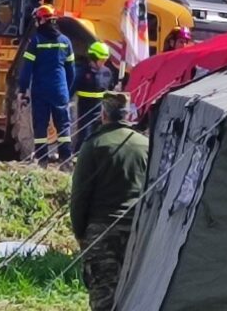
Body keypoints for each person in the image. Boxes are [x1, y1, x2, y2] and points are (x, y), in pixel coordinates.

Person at [70, 92, 149, 311]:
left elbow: (79, 197)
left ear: (104, 115)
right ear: (128, 115)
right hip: (138, 230)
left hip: (102, 231)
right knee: (135, 293)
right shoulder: (146, 145)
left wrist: (80, 232)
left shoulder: (94, 144)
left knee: (103, 294)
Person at [17, 4, 76, 166]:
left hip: (41, 90)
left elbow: (26, 70)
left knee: (41, 125)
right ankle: (66, 158)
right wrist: (67, 91)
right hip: (60, 90)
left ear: (42, 20)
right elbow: (71, 72)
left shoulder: (35, 41)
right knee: (63, 125)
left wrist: (22, 90)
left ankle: (42, 159)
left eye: (37, 20)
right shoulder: (65, 42)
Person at [73, 41, 114, 152]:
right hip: (85, 108)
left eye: (105, 60)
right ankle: (78, 158)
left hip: (100, 109)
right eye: (102, 60)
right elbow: (72, 89)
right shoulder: (81, 71)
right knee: (84, 135)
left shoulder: (107, 72)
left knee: (99, 135)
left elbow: (110, 89)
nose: (104, 62)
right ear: (94, 58)